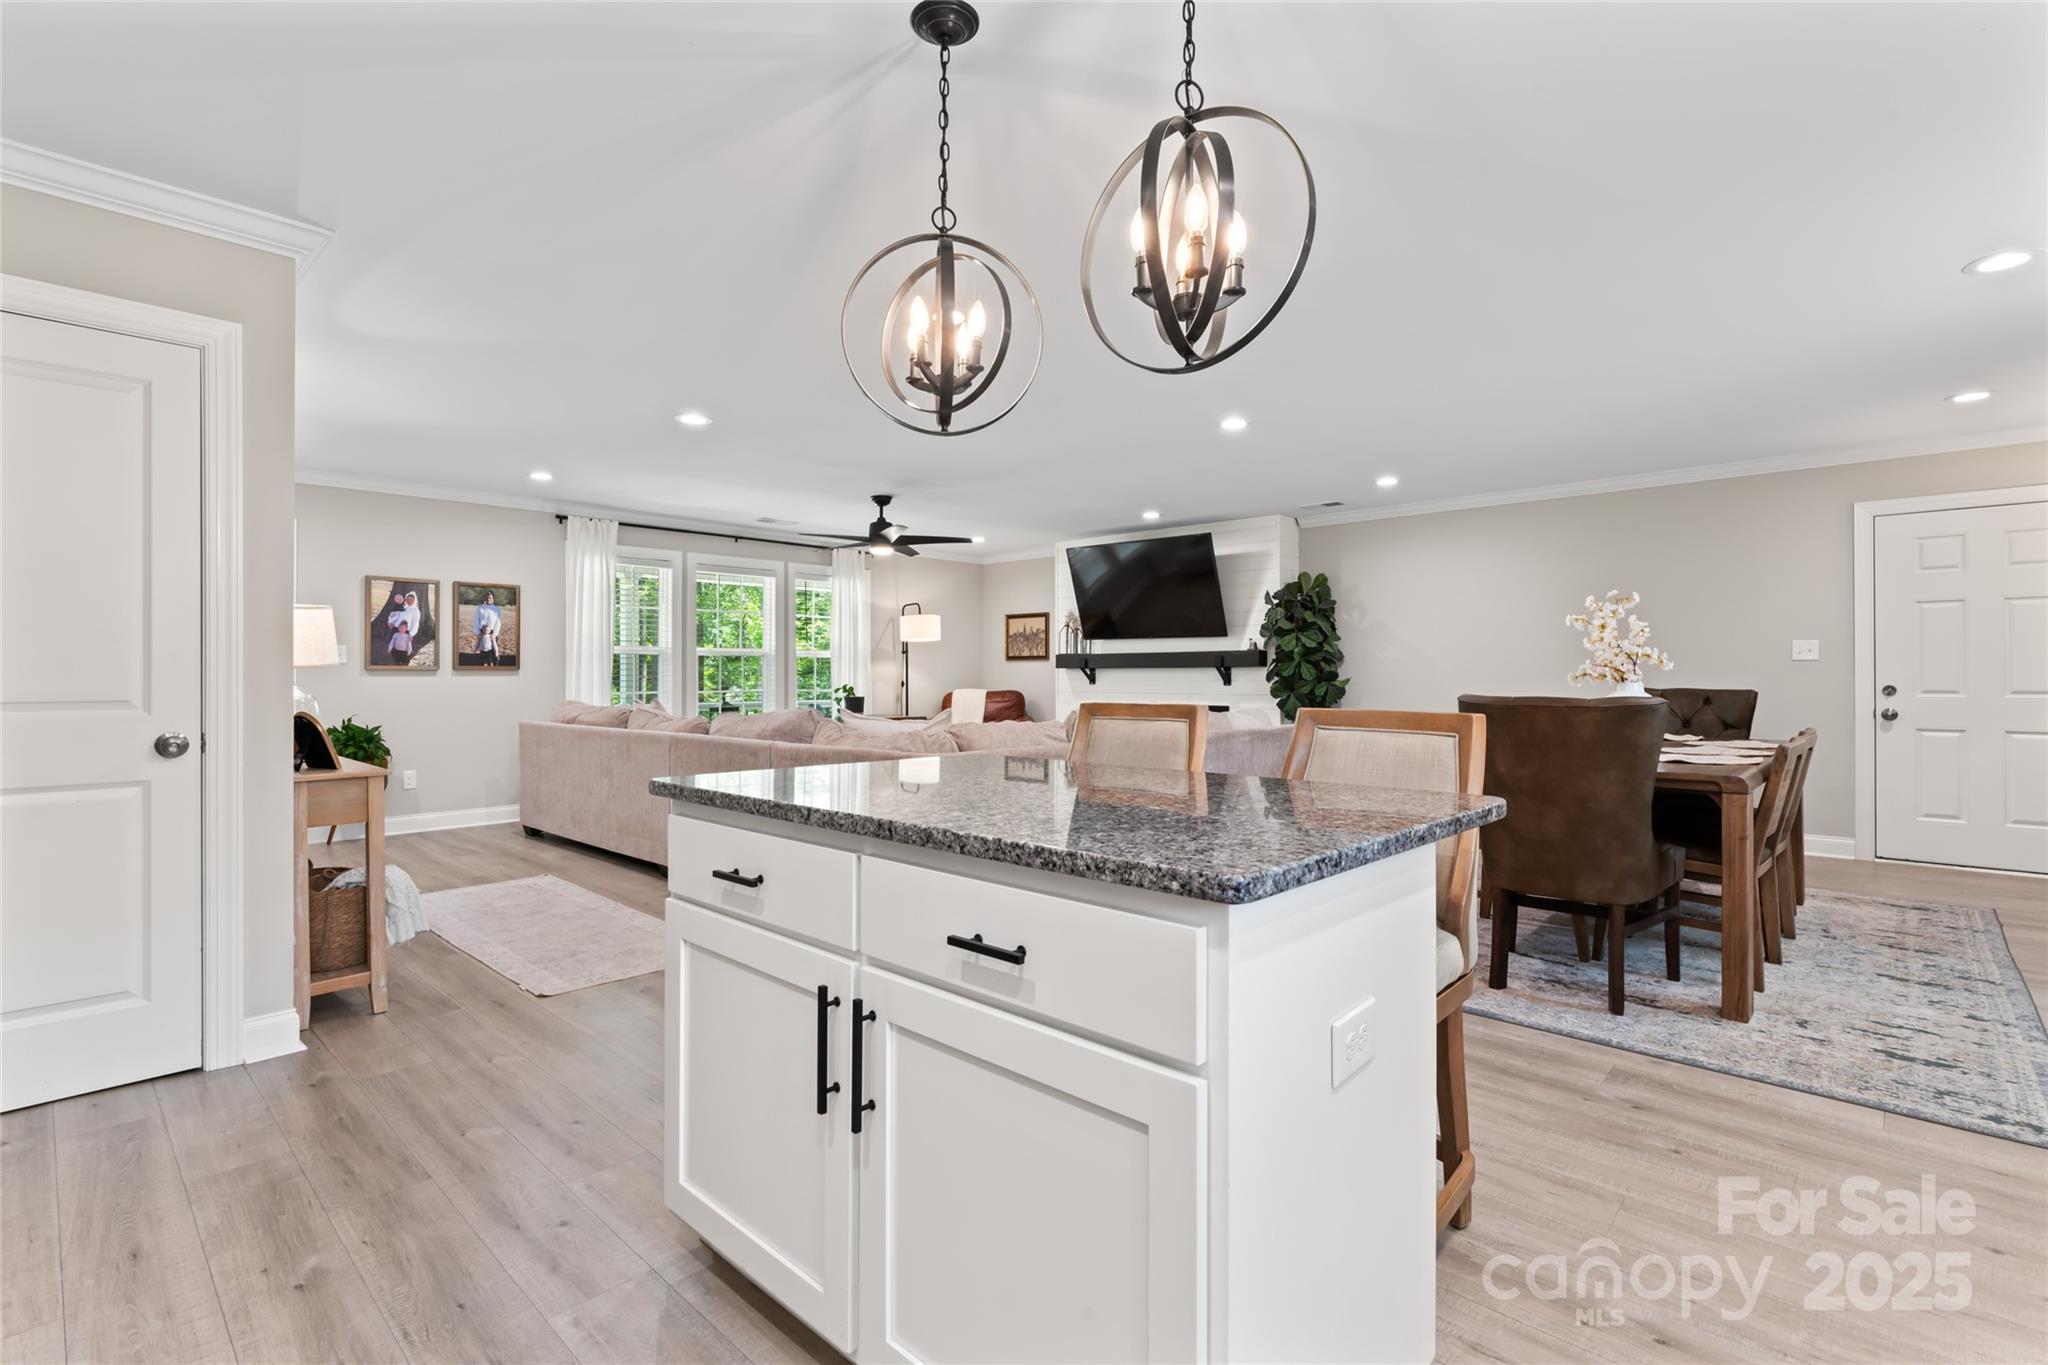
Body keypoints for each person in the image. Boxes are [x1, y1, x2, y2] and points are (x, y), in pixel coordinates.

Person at [386, 590, 421, 666]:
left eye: (411, 599)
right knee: (393, 644)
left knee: (405, 647)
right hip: (396, 629)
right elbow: (395, 615)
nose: (409, 601)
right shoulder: (403, 607)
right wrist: (390, 622)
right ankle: (396, 659)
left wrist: (411, 634)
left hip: (406, 631)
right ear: (405, 599)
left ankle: (404, 661)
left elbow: (415, 623)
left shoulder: (415, 610)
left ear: (414, 600)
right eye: (408, 599)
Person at [473, 590, 502, 666]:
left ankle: (494, 661)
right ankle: (484, 662)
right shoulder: (480, 608)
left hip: (492, 631)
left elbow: (498, 622)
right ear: (485, 599)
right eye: (487, 598)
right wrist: (478, 632)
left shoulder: (496, 609)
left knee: (493, 648)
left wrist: (495, 634)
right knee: (484, 648)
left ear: (493, 599)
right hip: (483, 632)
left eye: (491, 598)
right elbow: (476, 620)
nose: (489, 599)